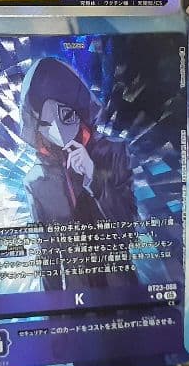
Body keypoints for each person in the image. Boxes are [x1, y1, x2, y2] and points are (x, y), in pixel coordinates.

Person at [20, 57, 136, 291]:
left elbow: (129, 227)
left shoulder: (113, 152)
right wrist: (52, 308)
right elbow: (47, 256)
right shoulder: (36, 181)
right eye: (47, 123)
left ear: (78, 110)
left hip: (122, 289)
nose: (58, 130)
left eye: (65, 115)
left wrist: (94, 175)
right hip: (77, 294)